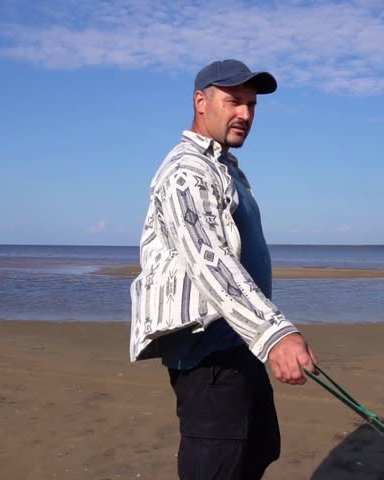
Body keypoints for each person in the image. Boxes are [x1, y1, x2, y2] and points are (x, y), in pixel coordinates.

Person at [129, 59, 318, 479]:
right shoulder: (186, 171)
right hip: (207, 360)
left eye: (252, 105)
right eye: (234, 101)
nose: (246, 115)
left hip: (238, 346)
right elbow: (210, 262)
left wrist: (260, 339)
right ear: (201, 102)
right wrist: (278, 335)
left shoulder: (224, 169)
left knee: (259, 449)